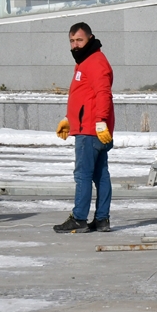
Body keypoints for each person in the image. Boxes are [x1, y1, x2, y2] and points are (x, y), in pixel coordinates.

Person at [53, 22, 115, 233]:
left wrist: (100, 120)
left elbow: (103, 93)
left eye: (79, 40)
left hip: (91, 130)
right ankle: (102, 219)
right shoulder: (85, 61)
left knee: (83, 175)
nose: (75, 45)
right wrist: (69, 119)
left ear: (90, 38)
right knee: (100, 174)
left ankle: (79, 217)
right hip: (88, 126)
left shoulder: (95, 61)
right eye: (71, 41)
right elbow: (84, 97)